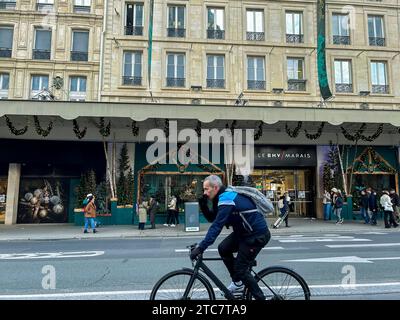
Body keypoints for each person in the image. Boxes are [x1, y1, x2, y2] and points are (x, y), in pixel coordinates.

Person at [192, 175, 271, 300]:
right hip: (244, 233)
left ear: (216, 187)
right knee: (223, 248)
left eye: (207, 189)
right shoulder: (221, 197)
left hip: (256, 235)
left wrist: (201, 247)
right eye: (204, 190)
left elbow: (217, 226)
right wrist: (203, 204)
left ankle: (260, 298)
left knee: (241, 269)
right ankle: (238, 282)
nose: (205, 192)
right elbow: (214, 218)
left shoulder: (227, 198)